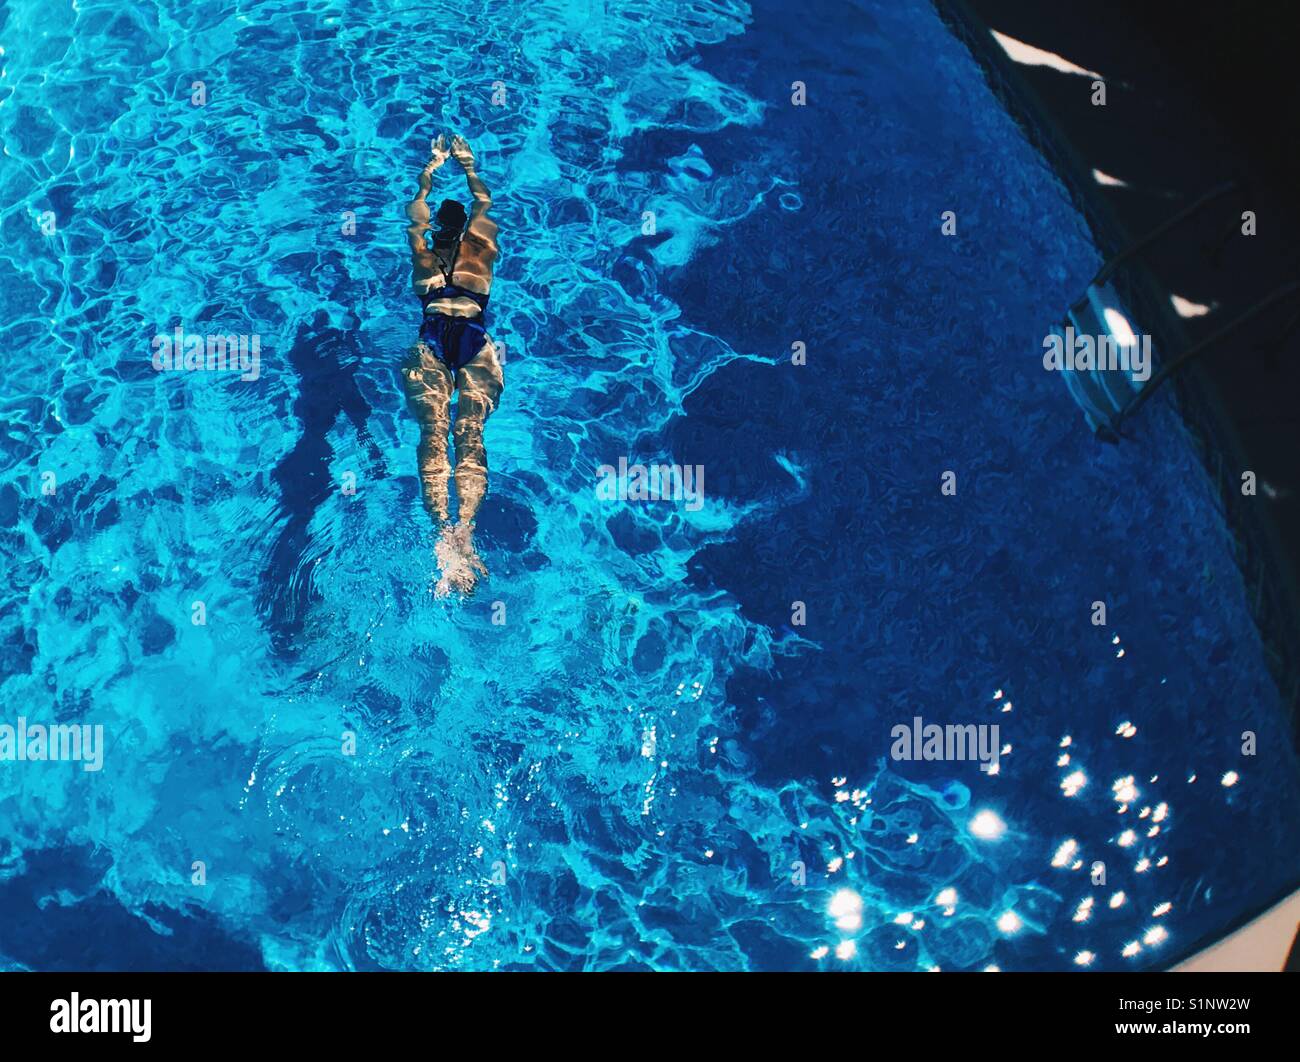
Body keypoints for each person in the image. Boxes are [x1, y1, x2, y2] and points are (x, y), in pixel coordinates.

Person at [402, 134, 503, 596]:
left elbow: (413, 212)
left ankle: (443, 528)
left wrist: (430, 169)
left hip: (431, 338)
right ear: (465, 228)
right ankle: (466, 528)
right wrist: (466, 162)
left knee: (433, 431)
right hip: (473, 337)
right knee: (470, 433)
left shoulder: (422, 253)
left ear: (437, 230)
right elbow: (484, 197)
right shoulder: (481, 244)